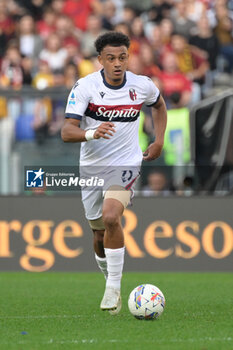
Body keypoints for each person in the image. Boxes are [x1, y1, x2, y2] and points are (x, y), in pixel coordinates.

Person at [61, 31, 167, 314]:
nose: (118, 63)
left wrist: (158, 140)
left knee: (111, 216)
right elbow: (67, 132)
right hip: (92, 167)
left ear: (128, 57)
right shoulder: (85, 87)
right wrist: (93, 132)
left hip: (126, 164)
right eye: (111, 58)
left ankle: (113, 289)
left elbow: (158, 105)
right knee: (98, 234)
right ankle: (110, 277)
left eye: (122, 57)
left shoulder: (141, 85)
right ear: (100, 60)